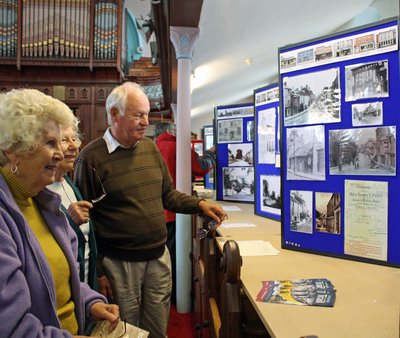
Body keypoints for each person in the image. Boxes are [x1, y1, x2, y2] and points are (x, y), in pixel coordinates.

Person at [73, 81, 227, 338]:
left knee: (158, 328)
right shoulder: (90, 159)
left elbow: (167, 195)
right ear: (114, 114)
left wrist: (199, 205)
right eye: (138, 115)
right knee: (126, 329)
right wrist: (99, 272)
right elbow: (84, 225)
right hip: (120, 265)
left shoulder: (150, 148)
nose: (146, 121)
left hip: (158, 257)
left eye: (146, 114)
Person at [0, 88, 119, 337]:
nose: (61, 153)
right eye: (49, 143)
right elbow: (11, 326)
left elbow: (65, 275)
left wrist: (90, 303)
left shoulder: (42, 201)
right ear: (12, 149)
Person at [153, 121, 216, 304]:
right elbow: (200, 168)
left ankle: (163, 293)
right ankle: (175, 296)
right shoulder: (177, 146)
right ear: (170, 131)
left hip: (157, 212)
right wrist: (211, 154)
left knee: (161, 258)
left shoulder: (152, 147)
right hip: (175, 211)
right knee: (175, 257)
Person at [47, 121, 98, 290]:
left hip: (83, 286)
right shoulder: (39, 192)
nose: (73, 146)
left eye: (74, 139)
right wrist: (69, 222)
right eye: (64, 140)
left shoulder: (70, 184)